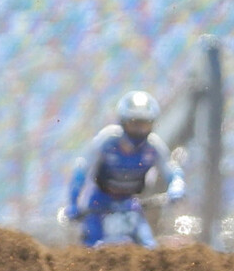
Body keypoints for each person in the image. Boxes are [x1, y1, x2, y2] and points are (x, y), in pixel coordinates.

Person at [61, 90, 185, 247]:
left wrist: (177, 187)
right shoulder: (107, 141)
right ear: (123, 123)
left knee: (149, 247)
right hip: (99, 206)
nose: (139, 130)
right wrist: (73, 203)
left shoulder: (153, 146)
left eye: (144, 124)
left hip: (130, 206)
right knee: (92, 247)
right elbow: (81, 169)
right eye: (134, 124)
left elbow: (172, 170)